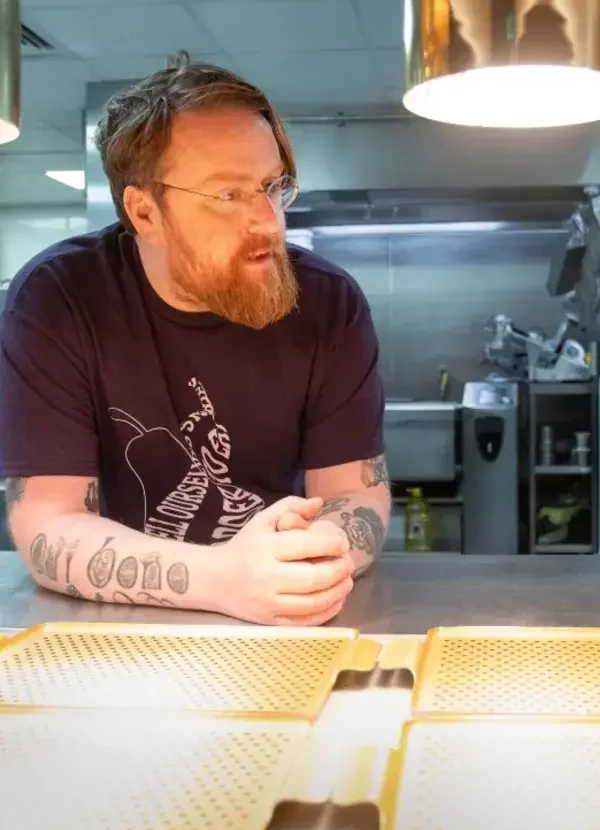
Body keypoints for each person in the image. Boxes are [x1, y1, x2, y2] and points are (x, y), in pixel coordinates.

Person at [0, 57, 390, 625]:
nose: (268, 222)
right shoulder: (58, 297)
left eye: (271, 187)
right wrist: (223, 579)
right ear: (144, 212)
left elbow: (354, 497)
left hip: (284, 622)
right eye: (227, 196)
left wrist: (307, 560)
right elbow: (47, 523)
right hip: (112, 625)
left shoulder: (329, 303)